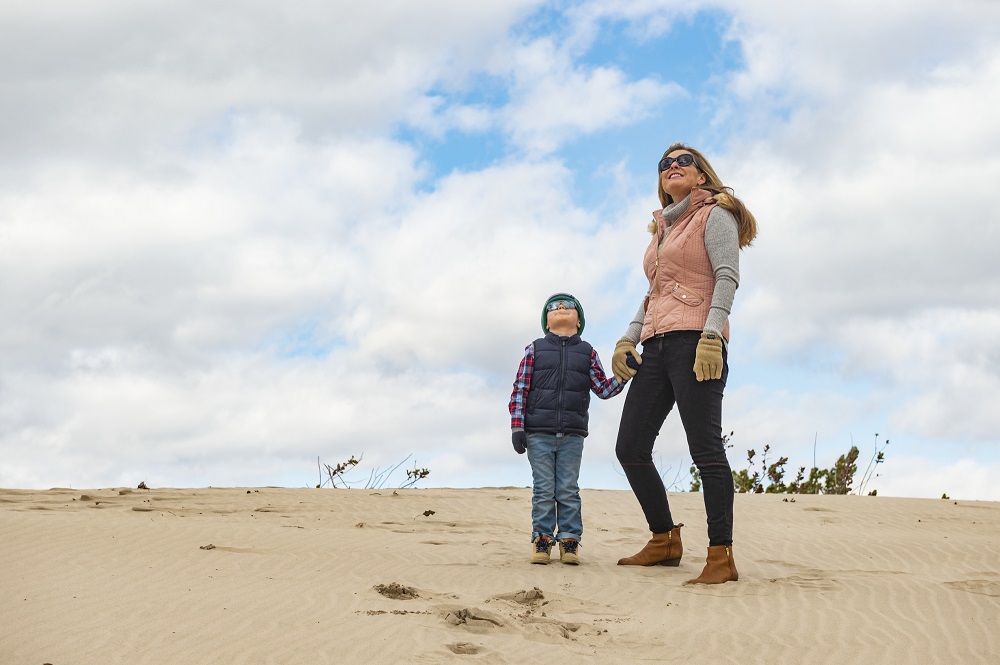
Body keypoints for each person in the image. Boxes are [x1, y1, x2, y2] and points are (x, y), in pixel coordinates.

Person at [611, 144, 757, 585]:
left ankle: (720, 555)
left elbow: (727, 276)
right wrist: (627, 338)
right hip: (655, 346)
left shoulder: (715, 214)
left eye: (683, 162)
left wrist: (712, 335)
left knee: (705, 449)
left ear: (700, 175)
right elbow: (654, 294)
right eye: (664, 165)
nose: (673, 167)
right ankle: (664, 539)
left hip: (697, 341)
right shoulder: (659, 230)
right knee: (630, 447)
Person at [509, 293, 626, 565]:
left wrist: (623, 375)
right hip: (538, 433)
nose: (560, 307)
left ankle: (570, 541)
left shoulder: (588, 353)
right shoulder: (534, 349)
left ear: (579, 320)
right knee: (543, 489)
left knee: (568, 489)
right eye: (553, 307)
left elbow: (602, 388)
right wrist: (517, 427)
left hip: (573, 435)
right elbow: (520, 389)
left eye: (568, 306)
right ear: (546, 322)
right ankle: (542, 539)